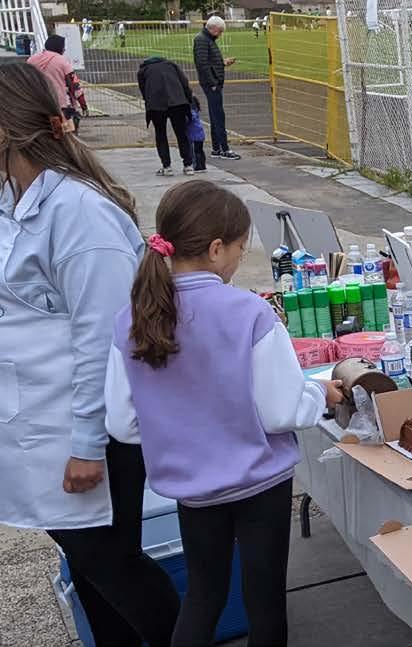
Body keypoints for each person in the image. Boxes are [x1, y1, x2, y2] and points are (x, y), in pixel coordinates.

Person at [106, 180, 345, 647]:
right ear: (217, 249)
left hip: (193, 490)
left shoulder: (131, 318)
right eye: (239, 249)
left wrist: (177, 429)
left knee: (203, 595)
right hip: (260, 484)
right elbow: (280, 411)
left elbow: (122, 422)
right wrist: (321, 395)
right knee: (265, 601)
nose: (239, 259)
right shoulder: (249, 313)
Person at [0, 62, 180, 647]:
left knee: (114, 566)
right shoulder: (13, 200)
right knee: (91, 568)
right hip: (38, 424)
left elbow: (101, 340)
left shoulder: (78, 213)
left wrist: (85, 446)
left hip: (88, 435)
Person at [137, 56, 197, 176]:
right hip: (177, 102)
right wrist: (189, 99)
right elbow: (184, 83)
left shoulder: (143, 70)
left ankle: (166, 166)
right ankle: (188, 165)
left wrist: (148, 101)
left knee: (160, 134)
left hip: (156, 105)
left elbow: (143, 90)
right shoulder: (171, 65)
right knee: (181, 133)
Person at [194, 16, 241, 161]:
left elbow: (208, 61)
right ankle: (224, 148)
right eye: (220, 31)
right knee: (218, 116)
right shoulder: (202, 40)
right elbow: (202, 64)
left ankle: (217, 148)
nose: (220, 35)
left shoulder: (207, 40)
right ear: (213, 29)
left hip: (214, 83)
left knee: (216, 116)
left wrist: (222, 62)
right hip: (212, 84)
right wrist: (213, 83)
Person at [27, 35, 86, 130]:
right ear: (59, 47)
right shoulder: (62, 61)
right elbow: (74, 85)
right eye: (63, 47)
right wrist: (83, 104)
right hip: (59, 104)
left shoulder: (31, 60)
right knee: (66, 131)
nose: (64, 49)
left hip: (37, 102)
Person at [188, 96, 209, 173]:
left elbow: (189, 120)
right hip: (200, 135)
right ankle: (202, 165)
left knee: (195, 151)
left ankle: (197, 166)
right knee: (200, 151)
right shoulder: (196, 112)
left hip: (194, 136)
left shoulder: (191, 113)